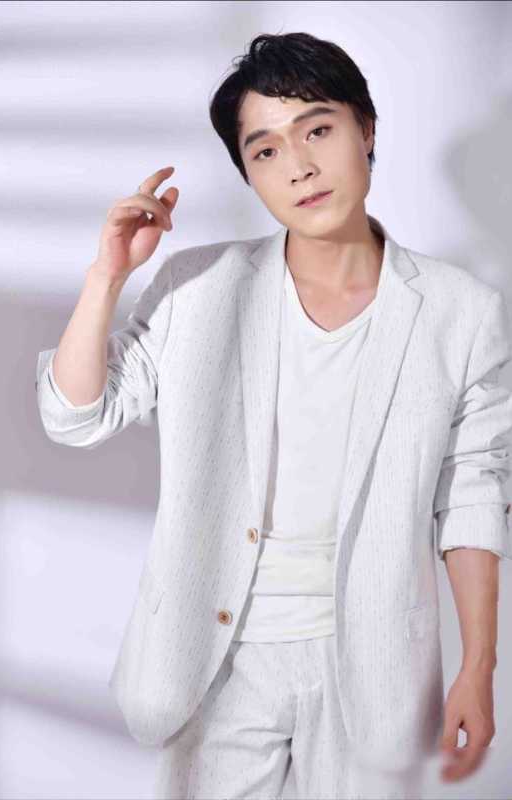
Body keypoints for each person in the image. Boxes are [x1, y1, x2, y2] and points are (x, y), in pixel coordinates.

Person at [35, 31, 512, 800]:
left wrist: (478, 668)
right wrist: (106, 276)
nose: (298, 166)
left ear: (366, 130)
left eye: (317, 130)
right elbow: (77, 416)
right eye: (264, 151)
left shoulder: (461, 313)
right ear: (249, 173)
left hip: (373, 665)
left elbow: (471, 497)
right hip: (214, 659)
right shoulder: (197, 287)